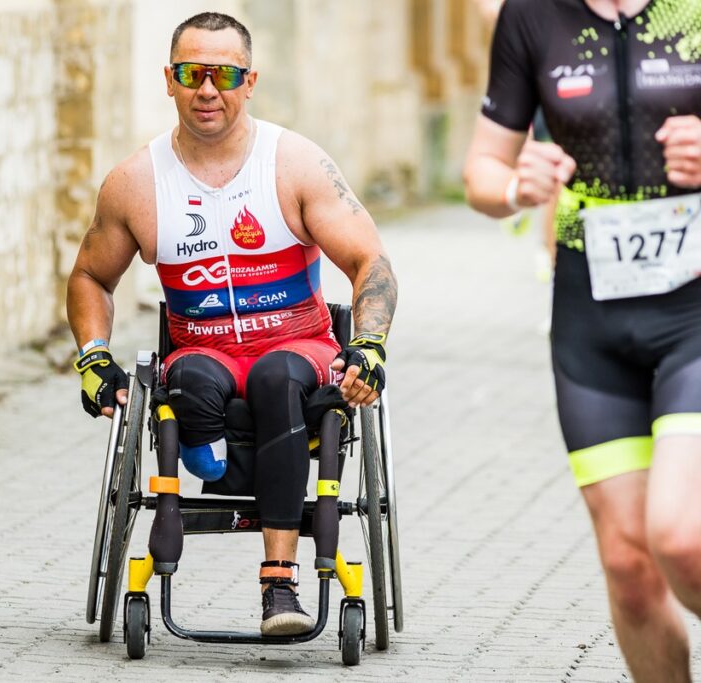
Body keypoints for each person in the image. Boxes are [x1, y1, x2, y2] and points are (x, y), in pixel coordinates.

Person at [66, 12, 397, 636]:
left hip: (298, 344)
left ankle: (280, 586)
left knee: (276, 379)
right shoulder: (136, 183)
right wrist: (92, 355)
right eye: (192, 73)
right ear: (169, 80)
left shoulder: (294, 163)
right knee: (186, 379)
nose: (208, 89)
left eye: (224, 74)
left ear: (250, 82)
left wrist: (370, 345)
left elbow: (369, 261)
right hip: (203, 351)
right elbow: (89, 277)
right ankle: (207, 466)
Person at [464, 1, 701, 680]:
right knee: (628, 564)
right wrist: (514, 185)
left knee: (682, 536)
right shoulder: (533, 16)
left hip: (694, 313)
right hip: (590, 322)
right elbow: (483, 166)